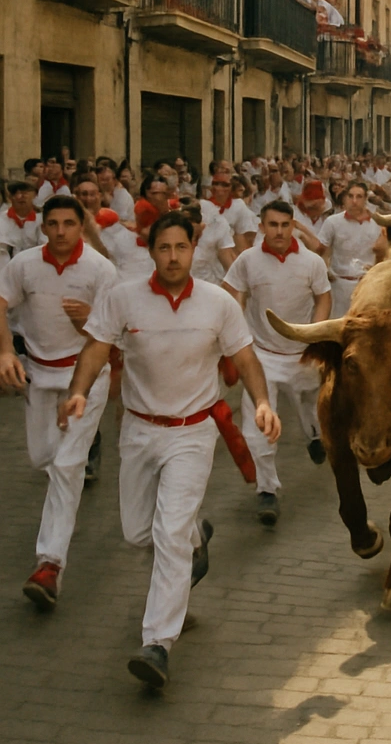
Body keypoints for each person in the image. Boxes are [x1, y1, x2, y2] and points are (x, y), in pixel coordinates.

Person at [61, 211, 282, 688]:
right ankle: (197, 536)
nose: (174, 256)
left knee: (167, 533)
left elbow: (244, 357)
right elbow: (96, 350)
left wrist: (262, 403)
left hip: (193, 432)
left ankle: (158, 642)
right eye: (164, 248)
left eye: (182, 247)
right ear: (151, 251)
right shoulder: (122, 299)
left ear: (193, 248)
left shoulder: (216, 304)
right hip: (139, 432)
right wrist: (78, 392)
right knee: (138, 532)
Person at [0, 196, 116, 609]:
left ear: (81, 226)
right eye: (54, 223)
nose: (62, 231)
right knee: (43, 459)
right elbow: (1, 300)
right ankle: (61, 511)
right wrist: (5, 352)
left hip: (85, 375)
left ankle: (49, 565)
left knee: (67, 467)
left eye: (70, 223)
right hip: (39, 372)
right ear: (43, 227)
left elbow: (112, 334)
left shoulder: (101, 270)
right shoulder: (24, 264)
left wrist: (88, 321)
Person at [222, 201, 331, 526]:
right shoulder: (247, 260)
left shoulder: (311, 262)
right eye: (273, 225)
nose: (279, 231)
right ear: (262, 227)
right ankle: (267, 490)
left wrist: (314, 331)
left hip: (300, 353)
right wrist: (234, 330)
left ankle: (314, 436)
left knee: (310, 404)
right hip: (261, 356)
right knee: (259, 423)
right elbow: (230, 292)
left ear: (293, 225)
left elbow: (323, 297)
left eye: (285, 225)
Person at [316, 181, 387, 317]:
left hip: (367, 286)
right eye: (350, 196)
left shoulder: (378, 224)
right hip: (339, 287)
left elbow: (382, 257)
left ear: (365, 199)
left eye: (359, 197)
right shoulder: (332, 222)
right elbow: (319, 249)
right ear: (345, 198)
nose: (354, 201)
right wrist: (324, 269)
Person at [202, 168, 258, 252]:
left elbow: (246, 236)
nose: (219, 188)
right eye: (216, 184)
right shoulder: (203, 206)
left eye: (224, 185)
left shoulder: (238, 206)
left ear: (231, 187)